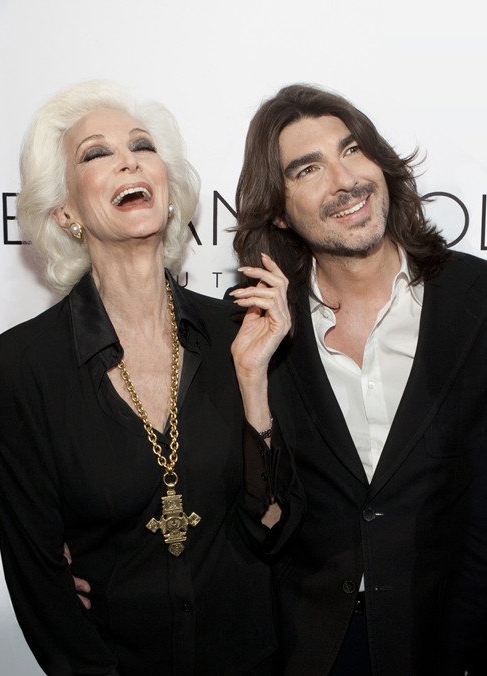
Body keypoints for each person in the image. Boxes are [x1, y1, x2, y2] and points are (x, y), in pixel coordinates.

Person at [0, 80, 292, 676]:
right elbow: (37, 576)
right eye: (96, 153)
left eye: (142, 146)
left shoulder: (241, 330)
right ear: (66, 211)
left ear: (168, 190)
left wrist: (254, 383)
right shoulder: (23, 364)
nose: (129, 160)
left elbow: (274, 529)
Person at [233, 83, 487, 675]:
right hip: (310, 649)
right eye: (307, 169)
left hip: (449, 639)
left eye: (352, 150)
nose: (344, 180)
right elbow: (249, 518)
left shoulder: (476, 299)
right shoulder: (254, 329)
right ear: (278, 210)